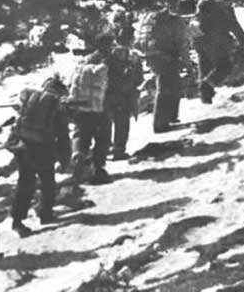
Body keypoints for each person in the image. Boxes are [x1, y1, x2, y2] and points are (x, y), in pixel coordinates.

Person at [9, 75, 71, 237]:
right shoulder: (56, 107)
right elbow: (63, 136)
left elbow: (17, 125)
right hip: (44, 150)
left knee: (25, 184)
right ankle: (46, 214)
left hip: (23, 148)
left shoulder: (30, 101)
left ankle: (17, 221)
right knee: (48, 183)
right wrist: (65, 159)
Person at [137, 0, 193, 133]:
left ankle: (171, 117)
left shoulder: (160, 16)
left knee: (173, 83)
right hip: (164, 56)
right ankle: (160, 124)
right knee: (165, 88)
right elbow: (183, 46)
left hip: (152, 54)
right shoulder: (177, 21)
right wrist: (189, 66)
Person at [66, 37, 112, 185]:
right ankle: (98, 169)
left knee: (81, 136)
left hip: (81, 107)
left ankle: (78, 162)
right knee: (102, 139)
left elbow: (71, 84)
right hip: (100, 108)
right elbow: (111, 86)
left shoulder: (83, 63)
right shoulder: (108, 62)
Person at [193, 0, 244, 103]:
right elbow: (234, 26)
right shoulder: (223, 9)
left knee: (205, 66)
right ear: (228, 1)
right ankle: (206, 87)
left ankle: (205, 97)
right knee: (225, 66)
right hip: (214, 42)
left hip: (198, 41)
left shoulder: (204, 7)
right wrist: (243, 41)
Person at [103, 26, 143, 159]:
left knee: (107, 124)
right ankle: (118, 151)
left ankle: (105, 150)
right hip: (122, 95)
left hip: (107, 95)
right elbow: (137, 79)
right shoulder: (130, 56)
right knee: (122, 124)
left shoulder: (108, 55)